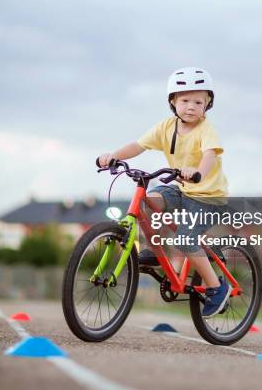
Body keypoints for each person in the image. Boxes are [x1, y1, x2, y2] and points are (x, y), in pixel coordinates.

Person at [98, 67, 231, 318]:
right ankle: (151, 249)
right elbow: (137, 145)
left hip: (209, 196)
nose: (191, 107)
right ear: (172, 101)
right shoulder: (166, 128)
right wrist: (112, 156)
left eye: (198, 102)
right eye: (184, 100)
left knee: (184, 239)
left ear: (208, 104)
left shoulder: (206, 130)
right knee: (148, 201)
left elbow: (210, 155)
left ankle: (217, 287)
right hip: (182, 189)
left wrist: (197, 172)